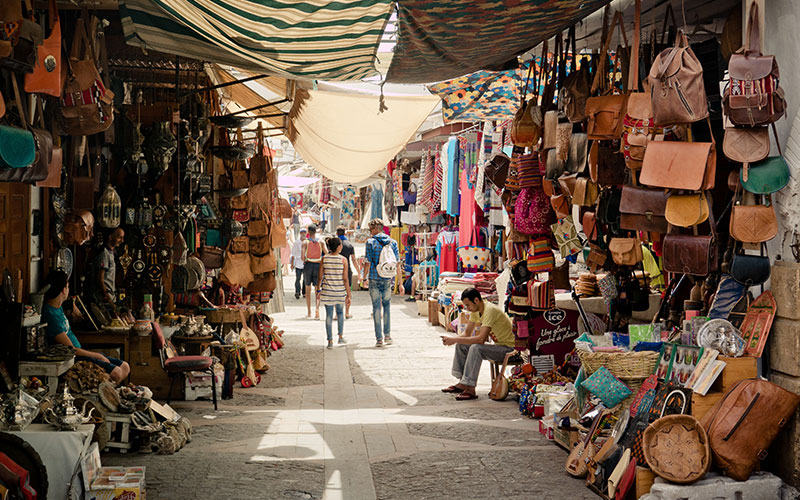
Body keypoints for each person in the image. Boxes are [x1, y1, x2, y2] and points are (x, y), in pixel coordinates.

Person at [42, 270, 131, 384]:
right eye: (68, 286)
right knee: (116, 373)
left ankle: (106, 391)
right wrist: (96, 355)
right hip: (74, 358)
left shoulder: (57, 307)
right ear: (64, 290)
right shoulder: (50, 315)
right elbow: (70, 350)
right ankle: (103, 392)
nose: (68, 290)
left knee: (125, 366)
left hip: (81, 352)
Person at [440, 287, 514, 401]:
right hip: (499, 346)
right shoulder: (476, 311)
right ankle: (463, 383)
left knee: (476, 348)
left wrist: (454, 340)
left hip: (510, 349)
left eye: (468, 305)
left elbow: (481, 340)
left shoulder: (490, 310)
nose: (467, 308)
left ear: (476, 300)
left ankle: (470, 388)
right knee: (462, 345)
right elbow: (467, 333)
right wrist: (453, 339)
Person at [362, 218, 399, 347]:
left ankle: (379, 339)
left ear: (375, 229)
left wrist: (364, 278)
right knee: (387, 306)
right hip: (387, 278)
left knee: (376, 308)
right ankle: (387, 336)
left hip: (374, 277)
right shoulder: (392, 242)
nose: (370, 232)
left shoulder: (370, 242)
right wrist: (399, 283)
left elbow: (368, 261)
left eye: (371, 229)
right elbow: (397, 263)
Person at [317, 237, 351, 349]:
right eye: (340, 245)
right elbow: (345, 279)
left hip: (327, 291)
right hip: (340, 291)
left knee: (329, 315)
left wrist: (318, 290)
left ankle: (330, 341)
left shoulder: (324, 258)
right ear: (338, 247)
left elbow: (320, 277)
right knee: (340, 313)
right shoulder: (343, 260)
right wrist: (348, 294)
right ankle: (340, 337)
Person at [89, 228, 125, 309]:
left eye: (123, 238)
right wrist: (108, 299)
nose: (122, 240)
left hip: (111, 298)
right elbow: (100, 280)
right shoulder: (104, 254)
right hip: (103, 301)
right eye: (119, 237)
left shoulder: (112, 253)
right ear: (110, 237)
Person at [336, 226, 361, 319]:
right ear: (345, 233)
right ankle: (347, 312)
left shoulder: (335, 244)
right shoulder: (349, 245)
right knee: (347, 292)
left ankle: (337, 314)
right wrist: (358, 272)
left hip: (336, 270)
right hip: (347, 271)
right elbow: (354, 260)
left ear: (337, 234)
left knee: (336, 292)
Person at [302, 224, 325, 319]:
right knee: (317, 289)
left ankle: (309, 311)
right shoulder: (321, 241)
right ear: (316, 231)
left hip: (308, 265)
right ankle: (317, 310)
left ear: (308, 232)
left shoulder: (305, 242)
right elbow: (326, 253)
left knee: (308, 289)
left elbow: (302, 257)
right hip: (318, 265)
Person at [290, 228, 307, 300]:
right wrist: (292, 263)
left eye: (304, 232)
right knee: (298, 278)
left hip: (306, 263)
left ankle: (304, 292)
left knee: (305, 279)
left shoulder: (308, 242)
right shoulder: (296, 242)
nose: (303, 234)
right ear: (300, 233)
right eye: (302, 232)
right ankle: (297, 291)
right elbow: (293, 253)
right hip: (298, 263)